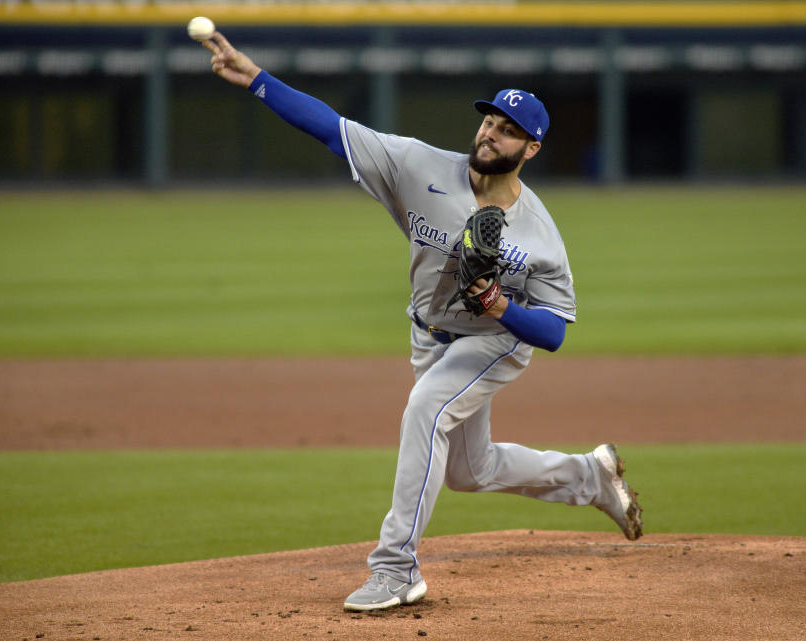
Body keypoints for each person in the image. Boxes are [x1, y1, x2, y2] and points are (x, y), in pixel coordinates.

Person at [201, 32, 643, 612]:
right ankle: (590, 477)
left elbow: (555, 331)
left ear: (531, 149)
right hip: (427, 336)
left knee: (426, 410)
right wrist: (258, 78)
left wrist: (501, 306)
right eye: (489, 121)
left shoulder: (540, 235)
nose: (491, 132)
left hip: (493, 343)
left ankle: (395, 568)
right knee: (469, 468)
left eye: (509, 130)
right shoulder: (417, 165)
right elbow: (330, 129)